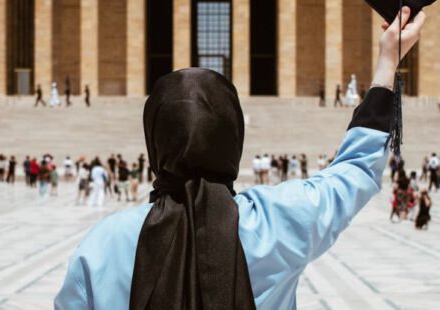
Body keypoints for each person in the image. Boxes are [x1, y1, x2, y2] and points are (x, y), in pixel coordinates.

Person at [55, 8, 426, 309]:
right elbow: (356, 170)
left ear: (156, 142)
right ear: (233, 139)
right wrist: (387, 63)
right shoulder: (278, 223)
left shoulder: (103, 245)